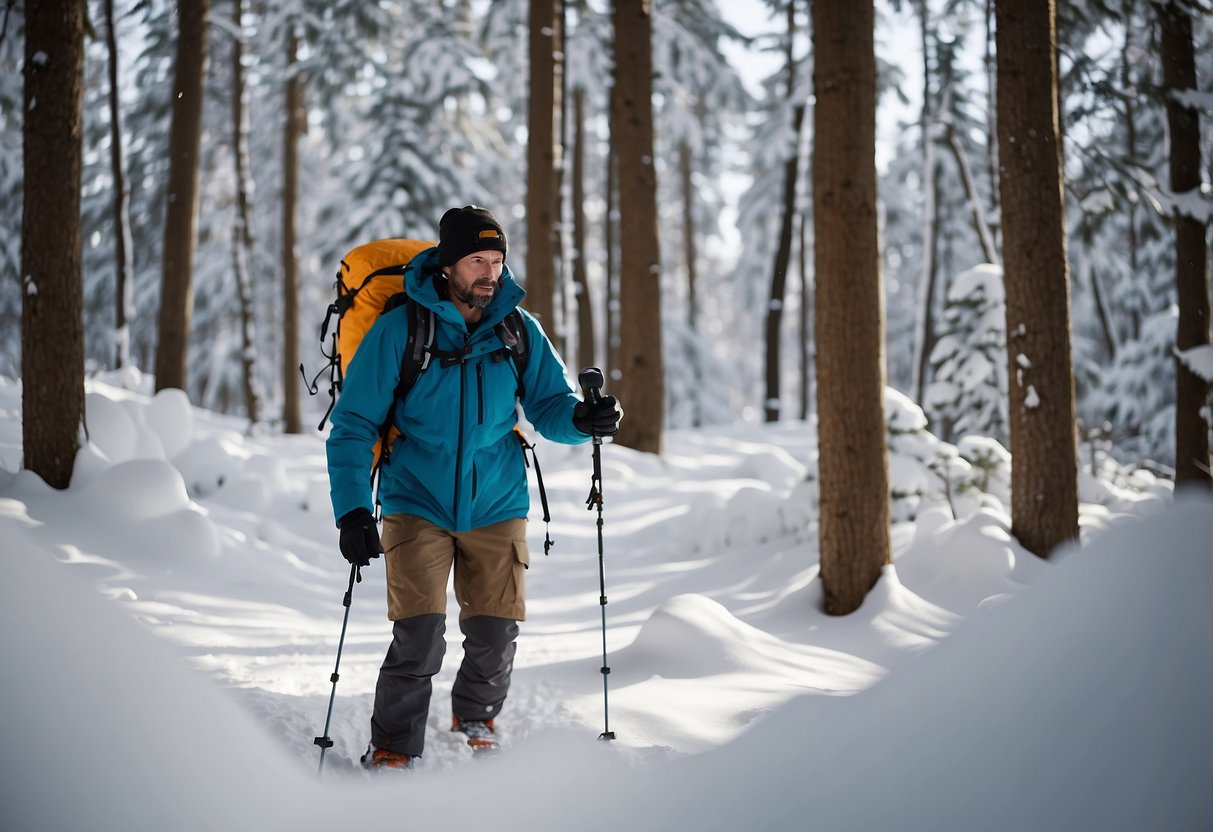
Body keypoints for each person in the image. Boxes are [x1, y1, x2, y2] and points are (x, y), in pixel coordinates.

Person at [326, 205, 623, 770]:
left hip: (497, 497)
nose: (490, 272)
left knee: (494, 632)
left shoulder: (517, 328)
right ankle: (393, 743)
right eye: (476, 260)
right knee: (419, 635)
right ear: (447, 265)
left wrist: (585, 420)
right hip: (416, 498)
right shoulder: (401, 329)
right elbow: (353, 426)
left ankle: (476, 713)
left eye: (497, 260)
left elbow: (551, 406)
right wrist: (353, 512)